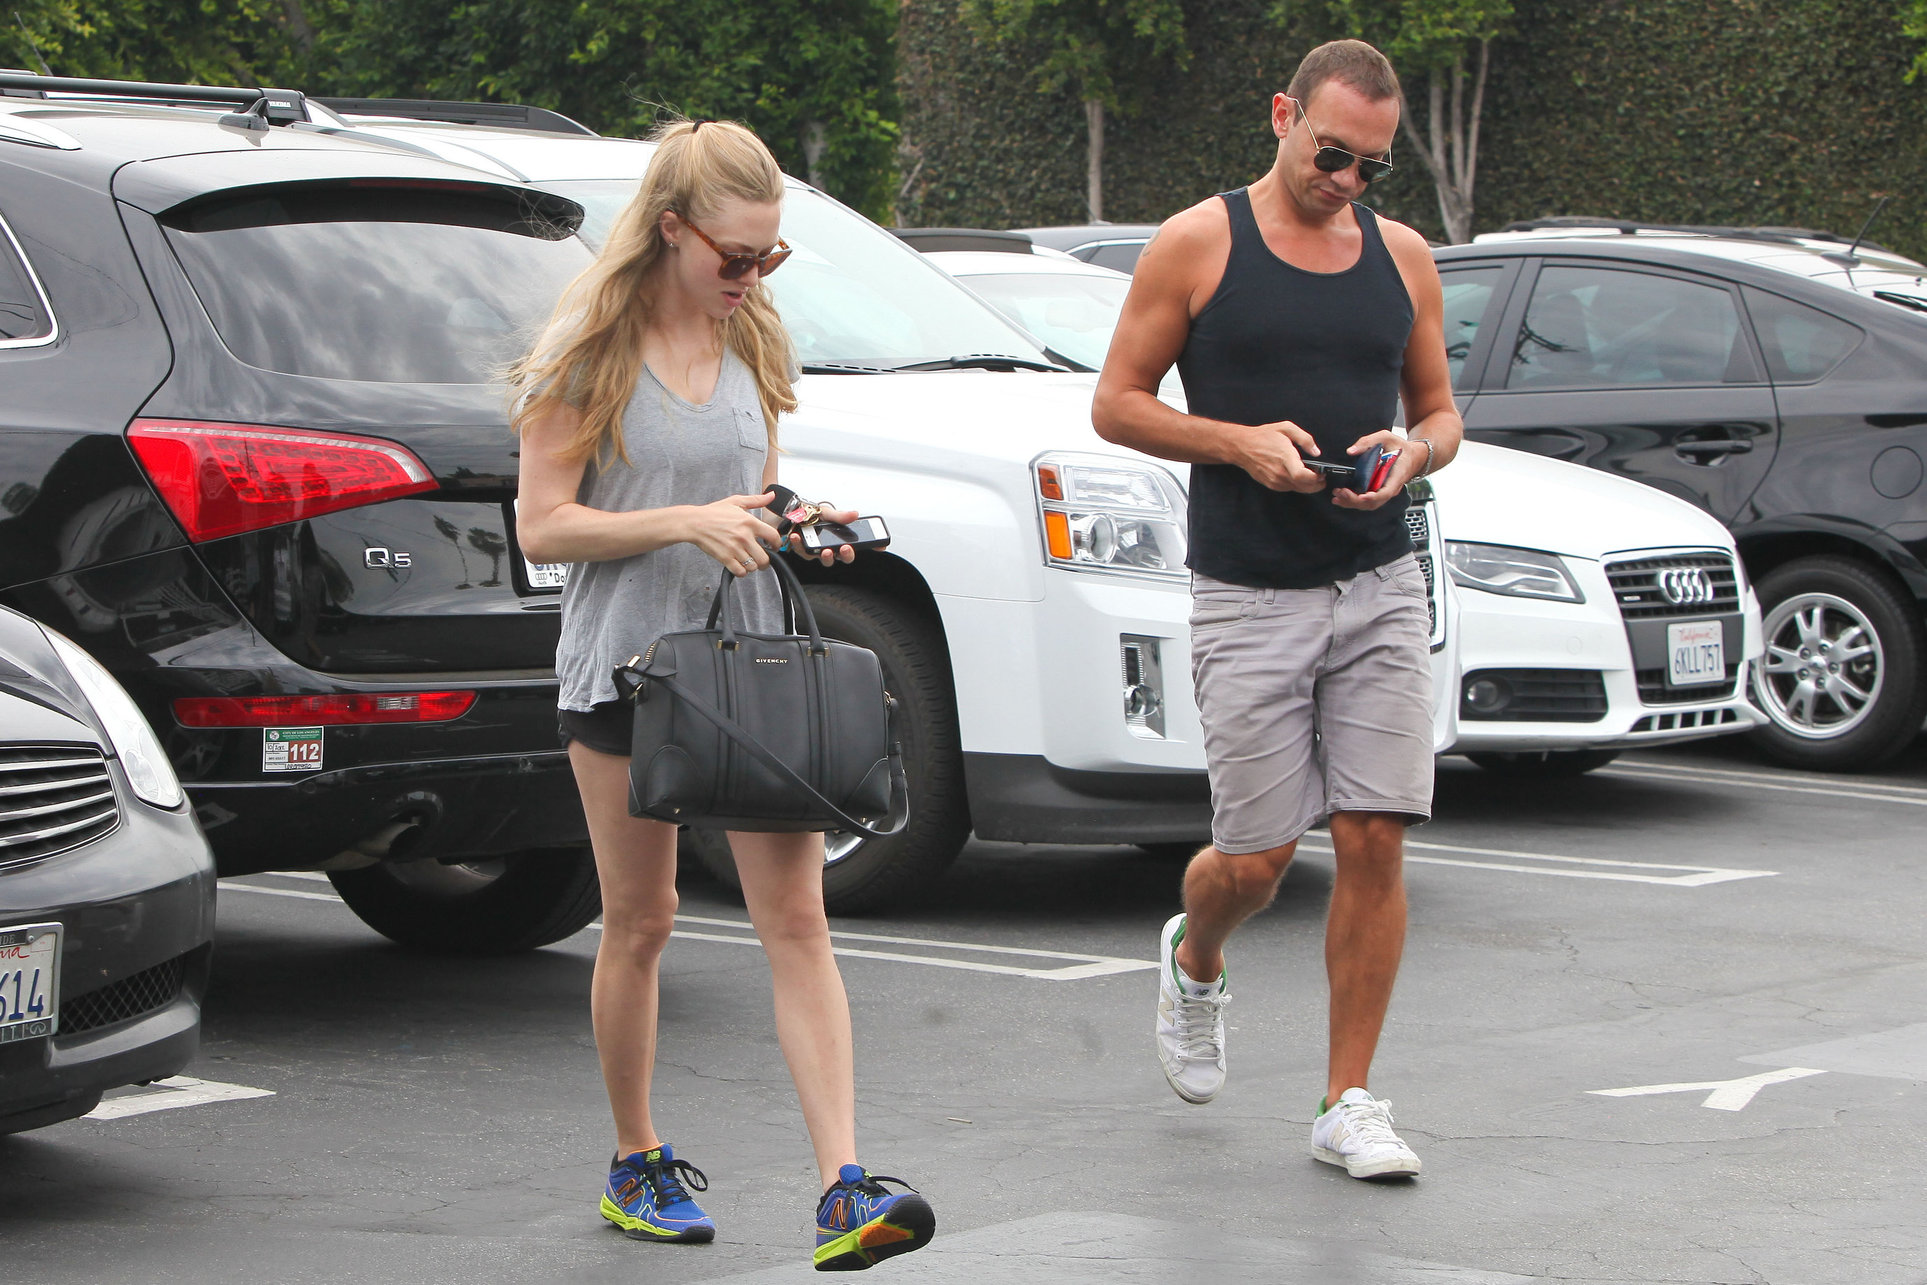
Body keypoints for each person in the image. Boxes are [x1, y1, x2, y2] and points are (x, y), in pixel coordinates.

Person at [511, 118, 935, 1269]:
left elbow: (741, 496)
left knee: (796, 921)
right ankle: (634, 1159)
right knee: (641, 923)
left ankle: (844, 1188)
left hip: (746, 660)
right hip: (625, 670)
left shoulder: (755, 340)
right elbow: (543, 523)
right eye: (734, 258)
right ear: (669, 231)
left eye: (769, 258)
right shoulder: (586, 354)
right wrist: (678, 521)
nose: (752, 279)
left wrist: (794, 517)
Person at [1092, 39, 1462, 1180]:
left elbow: (1442, 412)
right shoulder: (1201, 242)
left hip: (1379, 579)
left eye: (1371, 166)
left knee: (1374, 834)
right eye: (1331, 154)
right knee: (1253, 859)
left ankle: (1347, 1100)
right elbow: (1115, 404)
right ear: (1281, 117)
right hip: (1248, 590)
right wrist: (1235, 444)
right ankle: (1195, 955)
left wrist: (1415, 452)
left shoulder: (1401, 258)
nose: (1348, 181)